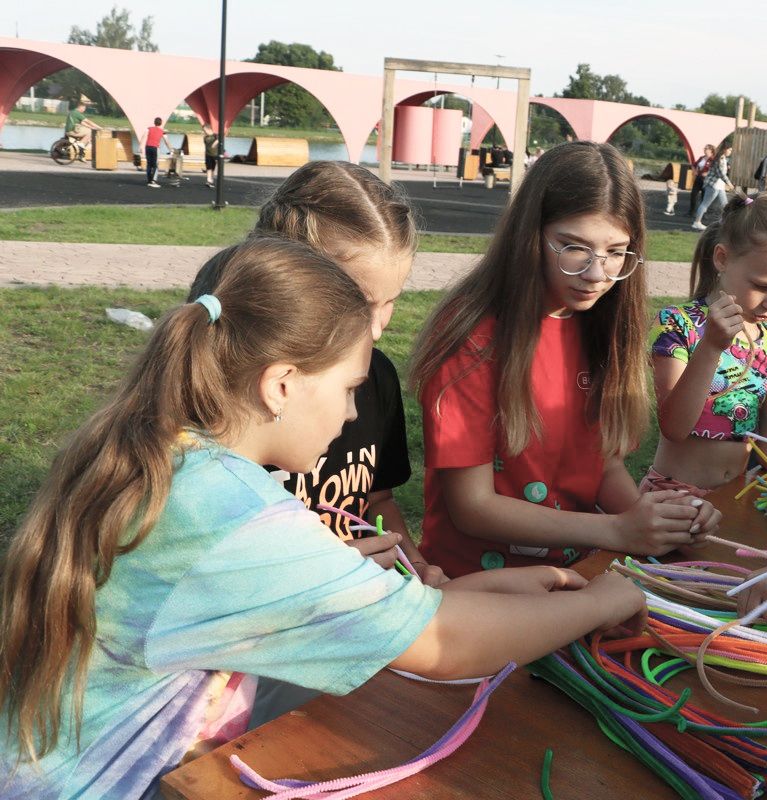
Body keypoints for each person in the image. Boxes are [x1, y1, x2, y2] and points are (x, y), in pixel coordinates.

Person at [0, 236, 647, 798]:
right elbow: (442, 645)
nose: (346, 416)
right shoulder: (238, 522)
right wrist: (601, 601)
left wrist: (480, 594)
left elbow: (405, 619)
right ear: (281, 383)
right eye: (346, 389)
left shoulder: (171, 459)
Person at [410, 141, 722, 579]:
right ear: (530, 235)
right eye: (574, 247)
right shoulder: (472, 336)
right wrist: (616, 530)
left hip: (577, 572)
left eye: (616, 252)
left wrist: (659, 520)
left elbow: (604, 465)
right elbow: (472, 507)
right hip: (477, 588)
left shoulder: (604, 324)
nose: (597, 275)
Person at [187, 160, 442, 586]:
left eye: (391, 300)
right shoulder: (223, 399)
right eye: (360, 302)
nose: (377, 328)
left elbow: (375, 498)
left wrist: (410, 564)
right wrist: (323, 574)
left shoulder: (375, 377)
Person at [645, 193, 767, 494]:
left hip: (733, 502)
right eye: (762, 286)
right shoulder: (679, 325)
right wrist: (711, 346)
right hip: (672, 497)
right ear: (722, 258)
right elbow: (674, 427)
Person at [692, 143, 734, 230]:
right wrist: (729, 183)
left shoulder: (723, 159)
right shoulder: (720, 159)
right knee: (705, 204)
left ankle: (724, 223)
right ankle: (697, 222)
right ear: (725, 149)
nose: (730, 152)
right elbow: (721, 174)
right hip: (713, 185)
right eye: (729, 150)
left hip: (719, 186)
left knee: (725, 205)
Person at [143, 116, 172, 189]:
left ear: (154, 122)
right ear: (161, 123)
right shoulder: (162, 131)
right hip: (155, 148)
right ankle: (153, 181)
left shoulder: (148, 129)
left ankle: (149, 180)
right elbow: (166, 141)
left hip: (148, 147)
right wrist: (171, 149)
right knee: (155, 165)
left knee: (149, 164)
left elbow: (144, 136)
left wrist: (140, 146)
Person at [689, 144, 716, 215]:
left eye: (706, 148)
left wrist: (707, 173)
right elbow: (693, 165)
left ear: (711, 150)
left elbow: (715, 170)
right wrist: (694, 171)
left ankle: (702, 214)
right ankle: (691, 211)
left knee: (704, 198)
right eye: (704, 148)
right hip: (698, 178)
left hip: (706, 181)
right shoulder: (701, 158)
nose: (704, 150)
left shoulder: (713, 159)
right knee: (693, 195)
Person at [202, 123, 219, 188]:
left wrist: (214, 144)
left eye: (204, 130)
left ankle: (211, 180)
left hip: (215, 154)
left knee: (213, 168)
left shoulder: (215, 135)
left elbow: (219, 139)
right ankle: (209, 180)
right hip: (208, 154)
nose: (204, 131)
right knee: (209, 168)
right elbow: (206, 146)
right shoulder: (205, 137)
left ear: (208, 129)